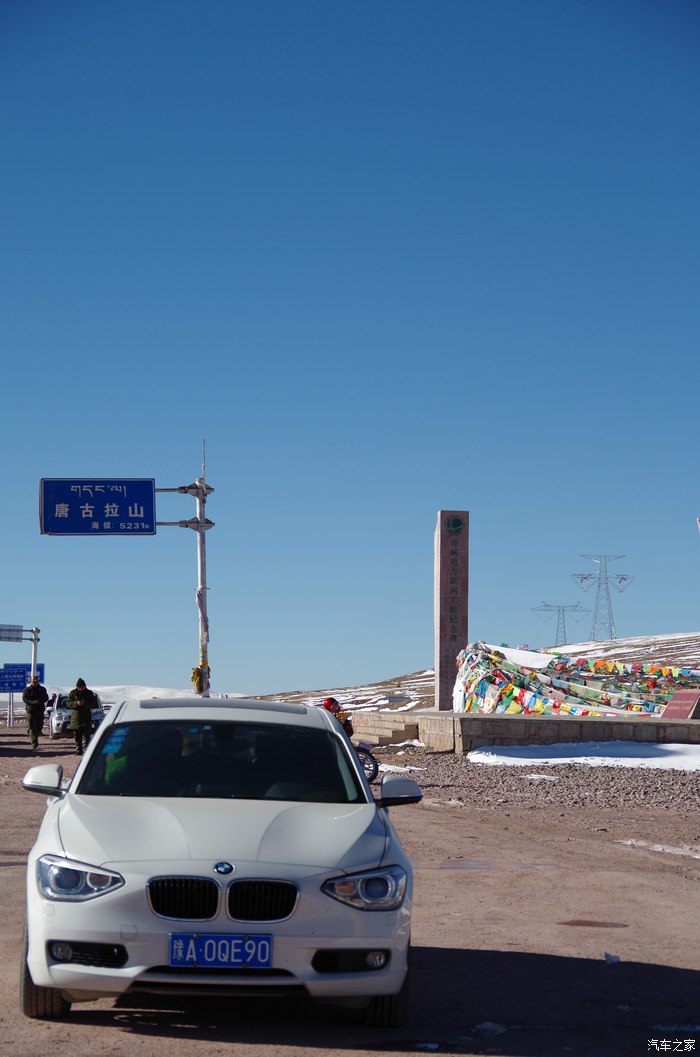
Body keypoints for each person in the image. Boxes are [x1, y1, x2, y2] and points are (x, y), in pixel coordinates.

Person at [67, 677, 97, 755]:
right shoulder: (73, 693)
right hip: (76, 717)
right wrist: (76, 703)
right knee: (77, 736)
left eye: (82, 687)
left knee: (86, 735)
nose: (80, 689)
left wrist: (85, 703)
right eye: (79, 687)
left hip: (86, 717)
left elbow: (93, 703)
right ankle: (79, 750)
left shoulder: (89, 693)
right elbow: (68, 703)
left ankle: (87, 750)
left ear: (84, 686)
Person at [22, 674, 49, 751]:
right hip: (31, 711)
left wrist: (40, 701)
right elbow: (24, 699)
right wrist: (33, 702)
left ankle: (35, 734)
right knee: (32, 727)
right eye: (33, 679)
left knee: (39, 726)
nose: (35, 680)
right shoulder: (27, 690)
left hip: (40, 710)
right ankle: (34, 743)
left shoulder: (42, 689)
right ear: (31, 680)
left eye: (36, 679)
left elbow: (46, 697)